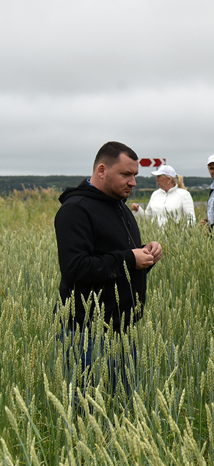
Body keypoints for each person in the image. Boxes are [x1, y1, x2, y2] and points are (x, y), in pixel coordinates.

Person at [55, 141, 163, 390]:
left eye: (135, 175)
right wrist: (130, 258)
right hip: (87, 335)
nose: (133, 182)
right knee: (87, 414)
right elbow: (76, 268)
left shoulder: (120, 208)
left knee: (123, 413)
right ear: (102, 170)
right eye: (125, 174)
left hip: (123, 331)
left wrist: (146, 256)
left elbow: (118, 259)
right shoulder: (75, 210)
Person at [130, 164, 196, 225]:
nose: (157, 180)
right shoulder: (155, 194)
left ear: (169, 179)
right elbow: (147, 218)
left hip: (175, 236)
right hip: (157, 237)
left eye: (159, 177)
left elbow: (190, 220)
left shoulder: (184, 195)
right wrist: (138, 210)